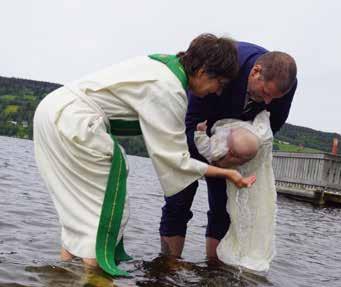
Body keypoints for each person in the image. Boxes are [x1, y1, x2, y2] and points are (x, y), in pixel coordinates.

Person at [33, 34, 257, 276]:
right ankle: (90, 279)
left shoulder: (161, 63)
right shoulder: (170, 89)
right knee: (106, 219)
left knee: (79, 216)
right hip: (76, 123)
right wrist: (226, 172)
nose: (217, 92)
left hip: (52, 111)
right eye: (220, 84)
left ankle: (62, 278)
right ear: (203, 71)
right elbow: (176, 161)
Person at [160, 41, 297, 259]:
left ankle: (213, 273)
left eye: (275, 98)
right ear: (255, 72)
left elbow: (272, 125)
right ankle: (167, 266)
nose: (269, 101)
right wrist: (212, 161)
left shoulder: (283, 85)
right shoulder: (222, 63)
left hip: (234, 143)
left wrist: (237, 156)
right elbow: (188, 123)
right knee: (178, 202)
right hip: (195, 127)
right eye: (266, 92)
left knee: (224, 211)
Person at [194, 111, 277, 272]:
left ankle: (213, 264)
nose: (237, 161)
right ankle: (214, 263)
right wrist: (200, 132)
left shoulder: (240, 153)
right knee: (223, 211)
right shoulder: (218, 149)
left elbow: (204, 146)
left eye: (242, 159)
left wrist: (200, 132)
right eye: (236, 157)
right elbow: (204, 146)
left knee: (227, 212)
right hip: (225, 143)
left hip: (239, 137)